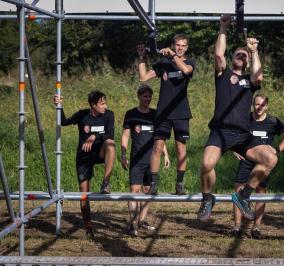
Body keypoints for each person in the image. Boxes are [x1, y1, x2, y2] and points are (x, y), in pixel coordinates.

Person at [197, 14, 278, 222]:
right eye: (238, 54)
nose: (241, 57)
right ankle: (207, 199)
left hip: (242, 134)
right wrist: (223, 28)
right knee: (206, 164)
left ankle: (243, 196)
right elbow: (218, 55)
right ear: (233, 57)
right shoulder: (222, 74)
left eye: (244, 56)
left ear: (248, 61)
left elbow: (258, 76)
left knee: (270, 159)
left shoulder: (249, 81)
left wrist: (254, 50)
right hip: (220, 131)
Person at [137, 33, 195, 195]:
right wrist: (142, 57)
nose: (180, 48)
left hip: (181, 112)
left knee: (180, 148)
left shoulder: (189, 62)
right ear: (173, 45)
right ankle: (154, 184)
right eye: (177, 45)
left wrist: (173, 56)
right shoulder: (163, 63)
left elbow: (185, 70)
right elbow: (143, 78)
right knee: (157, 147)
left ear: (187, 48)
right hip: (163, 112)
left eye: (183, 45)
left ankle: (179, 185)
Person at [53, 91, 115, 237]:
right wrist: (59, 106)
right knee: (84, 195)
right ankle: (88, 227)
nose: (105, 106)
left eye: (105, 103)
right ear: (93, 105)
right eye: (102, 103)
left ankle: (106, 182)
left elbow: (110, 135)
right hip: (84, 157)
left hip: (100, 152)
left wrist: (94, 136)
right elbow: (64, 122)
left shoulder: (109, 115)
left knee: (111, 145)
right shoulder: (83, 115)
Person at [232, 94, 284, 239]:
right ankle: (236, 227)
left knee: (261, 191)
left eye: (262, 105)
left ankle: (256, 228)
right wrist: (235, 149)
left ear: (267, 106)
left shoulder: (273, 121)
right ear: (252, 105)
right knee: (238, 191)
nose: (259, 107)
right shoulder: (244, 119)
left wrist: (277, 150)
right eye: (256, 104)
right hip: (246, 159)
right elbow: (232, 134)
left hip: (264, 163)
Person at [121, 85, 170, 237]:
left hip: (152, 162)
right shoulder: (131, 114)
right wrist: (123, 154)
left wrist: (165, 154)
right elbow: (125, 136)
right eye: (144, 97)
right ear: (139, 97)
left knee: (148, 191)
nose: (147, 99)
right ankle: (133, 224)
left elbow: (160, 139)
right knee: (134, 191)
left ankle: (142, 221)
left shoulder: (155, 114)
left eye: (149, 97)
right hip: (137, 160)